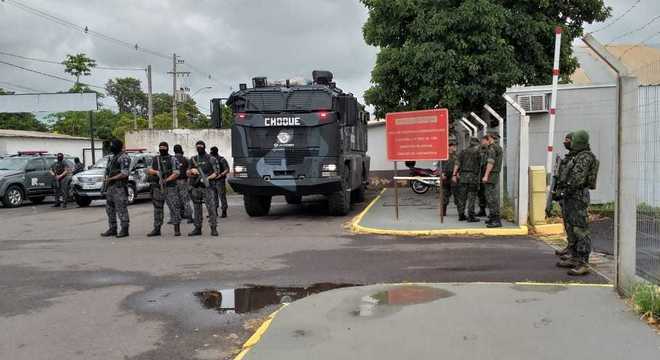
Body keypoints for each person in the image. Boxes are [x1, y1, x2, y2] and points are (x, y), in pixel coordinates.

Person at [554, 130, 599, 276]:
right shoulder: (577, 156)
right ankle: (574, 257)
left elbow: (577, 179)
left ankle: (583, 262)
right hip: (571, 196)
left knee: (580, 229)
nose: (569, 142)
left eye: (572, 140)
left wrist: (564, 190)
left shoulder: (585, 157)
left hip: (578, 196)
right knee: (572, 227)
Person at [147, 142, 182, 237]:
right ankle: (157, 229)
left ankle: (177, 229)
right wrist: (156, 172)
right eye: (160, 147)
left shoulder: (172, 159)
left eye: (163, 147)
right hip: (157, 187)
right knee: (157, 208)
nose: (162, 149)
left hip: (170, 187)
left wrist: (166, 180)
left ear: (167, 148)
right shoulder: (155, 159)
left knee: (174, 207)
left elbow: (176, 172)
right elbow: (148, 169)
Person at [187, 141, 220, 236]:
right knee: (197, 208)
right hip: (196, 187)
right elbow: (187, 173)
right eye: (197, 146)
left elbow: (216, 172)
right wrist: (191, 171)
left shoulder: (211, 158)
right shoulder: (193, 159)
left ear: (204, 147)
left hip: (207, 187)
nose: (199, 148)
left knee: (211, 208)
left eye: (201, 146)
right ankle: (197, 228)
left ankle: (213, 228)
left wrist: (206, 178)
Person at [101, 139, 131, 238]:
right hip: (111, 187)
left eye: (112, 145)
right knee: (109, 208)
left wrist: (111, 178)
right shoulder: (113, 157)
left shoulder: (124, 157)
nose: (111, 147)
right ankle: (113, 228)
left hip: (119, 187)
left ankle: (124, 229)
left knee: (121, 208)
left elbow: (125, 173)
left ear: (117, 146)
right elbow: (108, 171)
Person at [554, 133, 575, 259]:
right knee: (568, 223)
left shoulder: (579, 157)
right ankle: (570, 246)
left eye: (567, 140)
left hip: (573, 195)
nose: (565, 142)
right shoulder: (569, 157)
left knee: (575, 225)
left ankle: (576, 253)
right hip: (565, 194)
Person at [453, 137, 481, 222]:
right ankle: (471, 216)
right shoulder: (478, 153)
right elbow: (481, 164)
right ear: (476, 144)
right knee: (471, 197)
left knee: (462, 197)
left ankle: (461, 215)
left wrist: (454, 174)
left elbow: (457, 163)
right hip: (473, 177)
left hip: (463, 177)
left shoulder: (463, 152)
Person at [482, 131, 504, 228]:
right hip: (493, 174)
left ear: (490, 138)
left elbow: (490, 162)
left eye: (487, 137)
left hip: (491, 175)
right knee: (490, 197)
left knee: (491, 198)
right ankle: (492, 218)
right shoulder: (496, 147)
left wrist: (486, 175)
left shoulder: (492, 148)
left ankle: (496, 220)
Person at [173, 144, 193, 223]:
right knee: (185, 200)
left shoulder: (172, 159)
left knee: (175, 200)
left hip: (173, 182)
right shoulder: (186, 159)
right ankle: (190, 217)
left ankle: (175, 217)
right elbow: (189, 171)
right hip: (183, 181)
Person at [439, 140, 458, 216]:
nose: (455, 147)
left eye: (455, 146)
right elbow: (439, 165)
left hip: (454, 177)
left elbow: (459, 165)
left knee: (457, 194)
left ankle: (461, 213)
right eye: (453, 146)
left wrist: (457, 174)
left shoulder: (457, 156)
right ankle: (443, 212)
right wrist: (441, 174)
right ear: (449, 147)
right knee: (445, 195)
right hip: (445, 177)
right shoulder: (444, 155)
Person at [210, 146, 230, 218]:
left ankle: (224, 211)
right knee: (213, 197)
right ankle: (214, 212)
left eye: (212, 151)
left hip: (220, 180)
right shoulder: (210, 159)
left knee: (222, 196)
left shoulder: (222, 159)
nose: (211, 153)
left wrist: (221, 175)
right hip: (212, 180)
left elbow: (227, 169)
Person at [477, 138, 489, 217]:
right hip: (480, 175)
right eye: (482, 141)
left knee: (488, 194)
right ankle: (482, 210)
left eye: (483, 141)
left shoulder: (490, 150)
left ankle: (492, 213)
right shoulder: (479, 150)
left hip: (487, 176)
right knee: (480, 194)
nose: (482, 142)